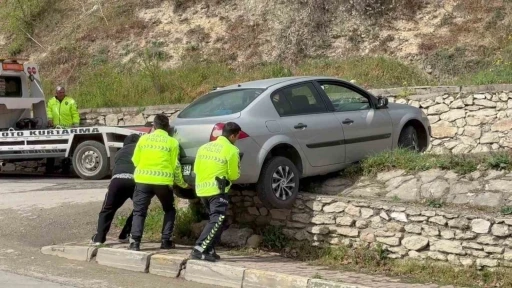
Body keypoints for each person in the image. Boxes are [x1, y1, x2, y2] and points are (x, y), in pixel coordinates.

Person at [129, 114, 190, 251]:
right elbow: (176, 166)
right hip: (163, 183)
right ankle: (165, 240)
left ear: (153, 126)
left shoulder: (143, 139)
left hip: (143, 180)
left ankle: (135, 243)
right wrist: (183, 184)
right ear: (168, 128)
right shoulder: (172, 142)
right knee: (169, 209)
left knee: (139, 211)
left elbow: (135, 160)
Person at [190, 122, 242, 262]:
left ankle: (210, 249)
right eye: (237, 137)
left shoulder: (204, 147)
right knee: (217, 220)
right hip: (217, 190)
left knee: (219, 221)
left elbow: (196, 169)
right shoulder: (231, 150)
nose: (236, 139)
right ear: (232, 136)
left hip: (202, 189)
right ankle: (199, 248)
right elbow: (233, 175)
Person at [90, 134, 141, 245]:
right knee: (139, 209)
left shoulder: (119, 153)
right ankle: (125, 234)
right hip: (135, 181)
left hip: (117, 181)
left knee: (107, 209)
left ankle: (99, 238)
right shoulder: (141, 150)